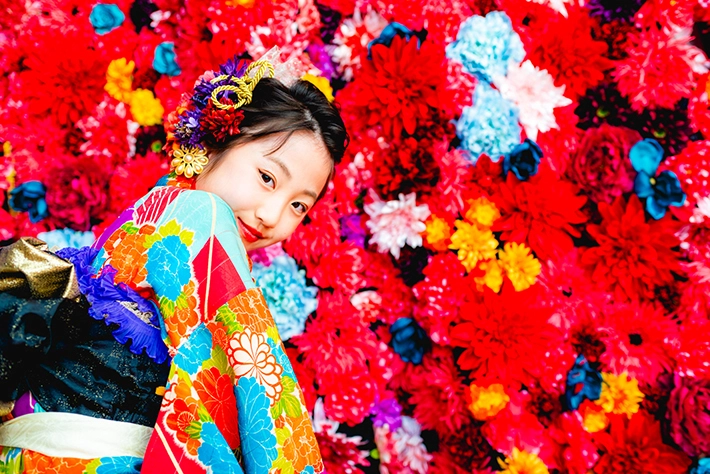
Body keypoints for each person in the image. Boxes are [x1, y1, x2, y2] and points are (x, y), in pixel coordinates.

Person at [0, 50, 347, 473]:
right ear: (215, 144)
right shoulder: (201, 215)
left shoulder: (151, 213)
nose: (272, 216)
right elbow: (262, 384)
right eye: (267, 178)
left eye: (298, 205)